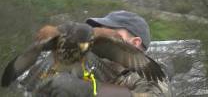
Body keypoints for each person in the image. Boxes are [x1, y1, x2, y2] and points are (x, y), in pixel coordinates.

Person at [38, 10, 172, 97]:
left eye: (110, 33)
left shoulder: (152, 79)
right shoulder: (90, 71)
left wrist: (90, 91)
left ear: (135, 43)